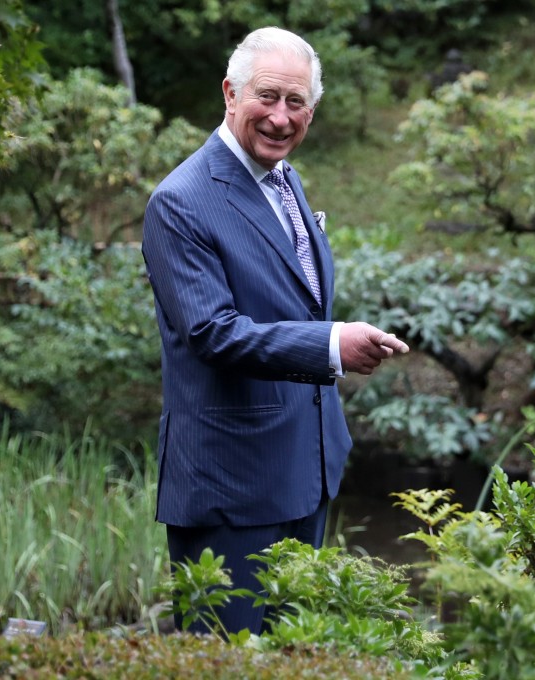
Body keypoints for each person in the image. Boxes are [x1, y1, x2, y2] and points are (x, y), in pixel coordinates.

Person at [142, 26, 410, 636]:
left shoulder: (284, 179)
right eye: (267, 96)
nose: (280, 117)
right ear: (230, 93)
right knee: (228, 663)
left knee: (298, 658)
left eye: (297, 103)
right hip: (230, 483)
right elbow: (212, 333)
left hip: (305, 468)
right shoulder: (180, 201)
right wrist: (331, 345)